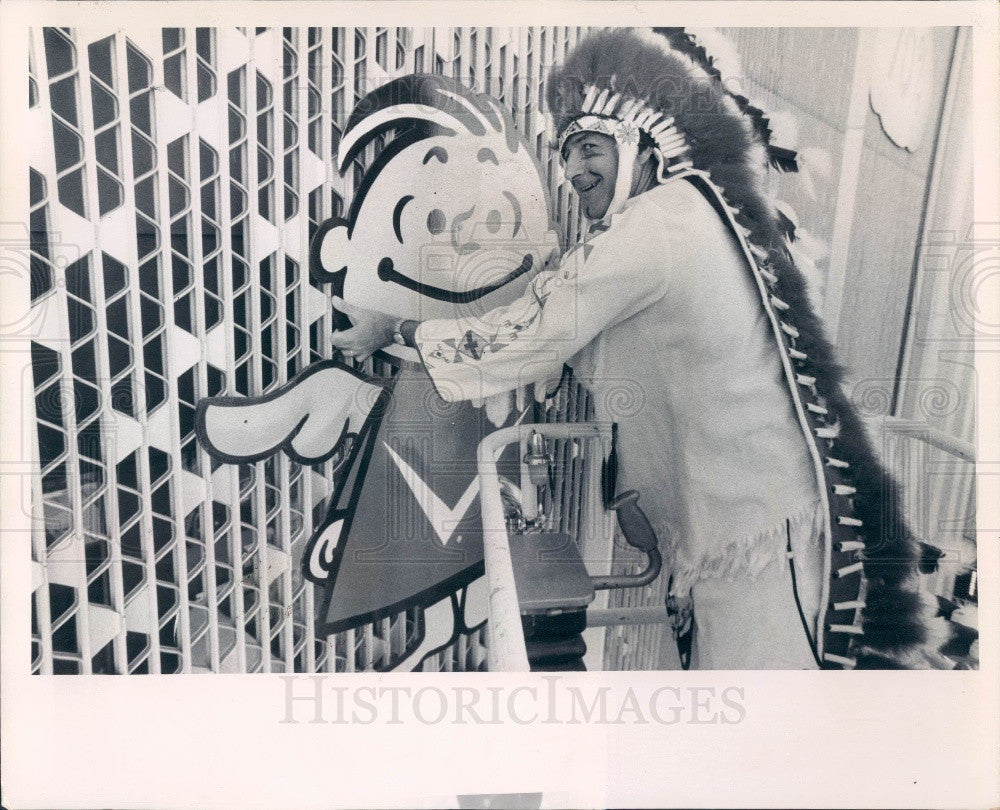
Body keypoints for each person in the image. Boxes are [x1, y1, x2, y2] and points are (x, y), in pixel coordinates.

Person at [329, 28, 927, 669]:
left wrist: (394, 330)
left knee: (760, 731)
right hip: (746, 533)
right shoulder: (688, 214)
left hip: (759, 538)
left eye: (590, 147)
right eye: (565, 153)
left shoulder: (660, 224)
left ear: (642, 142)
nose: (573, 170)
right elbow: (577, 329)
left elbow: (537, 334)